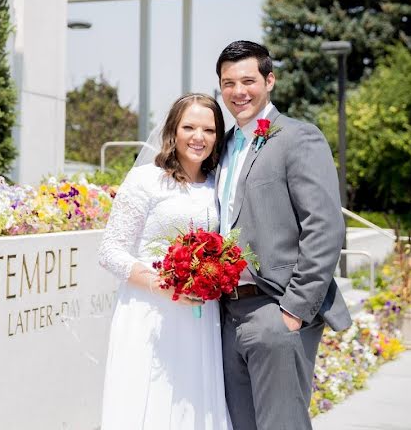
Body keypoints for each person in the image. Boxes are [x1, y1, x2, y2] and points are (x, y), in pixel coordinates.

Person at [215, 40, 351, 430]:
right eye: (228, 83)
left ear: (269, 80)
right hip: (227, 314)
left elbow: (324, 227)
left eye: (248, 80)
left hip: (276, 309)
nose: (238, 91)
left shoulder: (298, 137)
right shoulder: (222, 147)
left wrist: (292, 312)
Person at [98, 93, 232, 430]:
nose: (199, 137)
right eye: (189, 127)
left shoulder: (219, 185)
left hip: (201, 316)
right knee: (148, 399)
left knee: (193, 404)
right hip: (149, 311)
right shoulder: (146, 179)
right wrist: (163, 284)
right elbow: (110, 251)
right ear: (173, 129)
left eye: (209, 130)